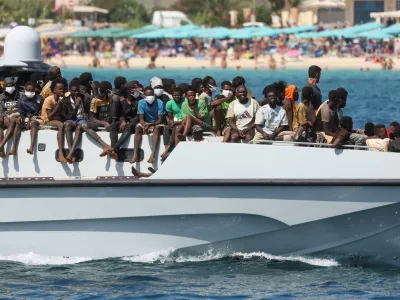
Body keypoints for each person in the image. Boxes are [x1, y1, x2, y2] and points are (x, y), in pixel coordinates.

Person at [130, 86, 165, 164]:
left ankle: (153, 155)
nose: (150, 97)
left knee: (156, 128)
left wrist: (150, 124)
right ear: (144, 96)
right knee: (137, 128)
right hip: (146, 122)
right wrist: (145, 125)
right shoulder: (141, 102)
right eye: (148, 95)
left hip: (157, 123)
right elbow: (141, 119)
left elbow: (160, 120)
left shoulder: (160, 103)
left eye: (151, 95)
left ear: (154, 95)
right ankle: (135, 154)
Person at [109, 81, 142, 160]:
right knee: (113, 126)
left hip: (136, 122)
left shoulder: (140, 101)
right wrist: (123, 121)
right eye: (135, 90)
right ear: (128, 92)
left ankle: (114, 149)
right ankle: (113, 149)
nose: (138, 92)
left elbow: (139, 116)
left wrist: (128, 123)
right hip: (126, 122)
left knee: (129, 126)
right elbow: (121, 114)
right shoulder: (123, 101)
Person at [82, 81, 113, 157]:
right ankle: (105, 145)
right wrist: (104, 123)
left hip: (111, 122)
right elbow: (92, 118)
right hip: (99, 121)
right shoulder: (95, 100)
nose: (101, 95)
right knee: (84, 126)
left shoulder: (112, 99)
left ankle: (113, 149)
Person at [41, 79, 67, 162]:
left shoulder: (63, 99)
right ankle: (60, 152)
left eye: (63, 89)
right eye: (60, 89)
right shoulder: (49, 100)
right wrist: (57, 107)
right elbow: (49, 117)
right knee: (60, 125)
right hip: (47, 120)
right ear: (54, 90)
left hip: (58, 119)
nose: (62, 90)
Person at [63, 79, 89, 163]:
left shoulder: (83, 98)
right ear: (70, 91)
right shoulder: (66, 100)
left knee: (79, 127)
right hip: (73, 119)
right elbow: (69, 117)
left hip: (82, 119)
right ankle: (72, 153)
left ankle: (70, 153)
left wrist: (81, 103)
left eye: (77, 91)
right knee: (67, 126)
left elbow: (87, 111)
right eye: (74, 91)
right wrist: (77, 106)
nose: (76, 93)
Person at [18, 81, 44, 155]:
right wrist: (24, 118)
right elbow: (21, 113)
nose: (30, 92)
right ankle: (14, 147)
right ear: (25, 90)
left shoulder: (40, 99)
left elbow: (42, 111)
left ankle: (31, 147)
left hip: (37, 118)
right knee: (17, 123)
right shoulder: (21, 100)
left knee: (33, 123)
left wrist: (32, 119)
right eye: (28, 90)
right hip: (26, 118)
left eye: (32, 90)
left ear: (35, 89)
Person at [0, 77, 23, 157]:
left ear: (14, 85)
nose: (9, 87)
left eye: (11, 85)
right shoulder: (1, 97)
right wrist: (4, 117)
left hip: (17, 116)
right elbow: (1, 110)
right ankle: (1, 150)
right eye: (7, 85)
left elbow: (24, 107)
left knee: (13, 120)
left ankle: (2, 145)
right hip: (6, 117)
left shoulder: (21, 95)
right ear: (4, 87)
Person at [161, 87, 184, 160]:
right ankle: (166, 150)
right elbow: (170, 117)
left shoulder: (185, 101)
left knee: (175, 128)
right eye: (175, 95)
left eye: (179, 95)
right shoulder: (169, 104)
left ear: (182, 95)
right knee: (166, 128)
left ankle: (167, 150)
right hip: (176, 122)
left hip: (184, 122)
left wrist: (177, 122)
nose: (177, 97)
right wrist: (171, 122)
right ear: (172, 95)